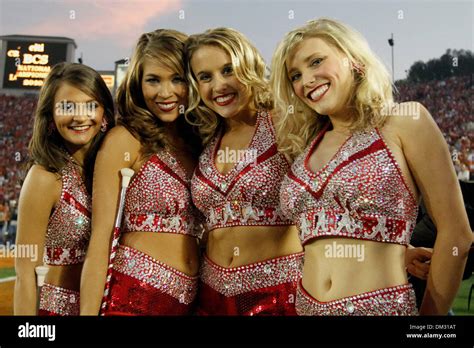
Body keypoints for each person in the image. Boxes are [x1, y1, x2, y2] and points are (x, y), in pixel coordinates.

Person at [272, 18, 472, 315]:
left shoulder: (405, 120)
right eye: (295, 76)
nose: (306, 80)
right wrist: (397, 254)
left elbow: (457, 234)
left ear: (354, 60)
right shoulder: (305, 146)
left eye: (316, 62)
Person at [80, 29, 202, 316]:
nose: (165, 92)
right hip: (133, 299)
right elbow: (100, 240)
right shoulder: (125, 140)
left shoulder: (199, 144)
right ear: (137, 83)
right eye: (153, 80)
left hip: (191, 303)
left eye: (177, 79)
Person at [185, 27, 305, 315]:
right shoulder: (205, 139)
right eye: (205, 77)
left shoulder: (286, 124)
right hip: (210, 297)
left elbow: (334, 190)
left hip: (278, 296)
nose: (219, 85)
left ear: (249, 66)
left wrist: (400, 249)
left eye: (229, 70)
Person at [14, 62, 115, 315]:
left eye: (91, 105)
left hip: (113, 306)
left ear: (105, 114)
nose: (80, 117)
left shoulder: (114, 168)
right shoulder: (44, 178)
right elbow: (25, 274)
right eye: (67, 107)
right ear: (50, 116)